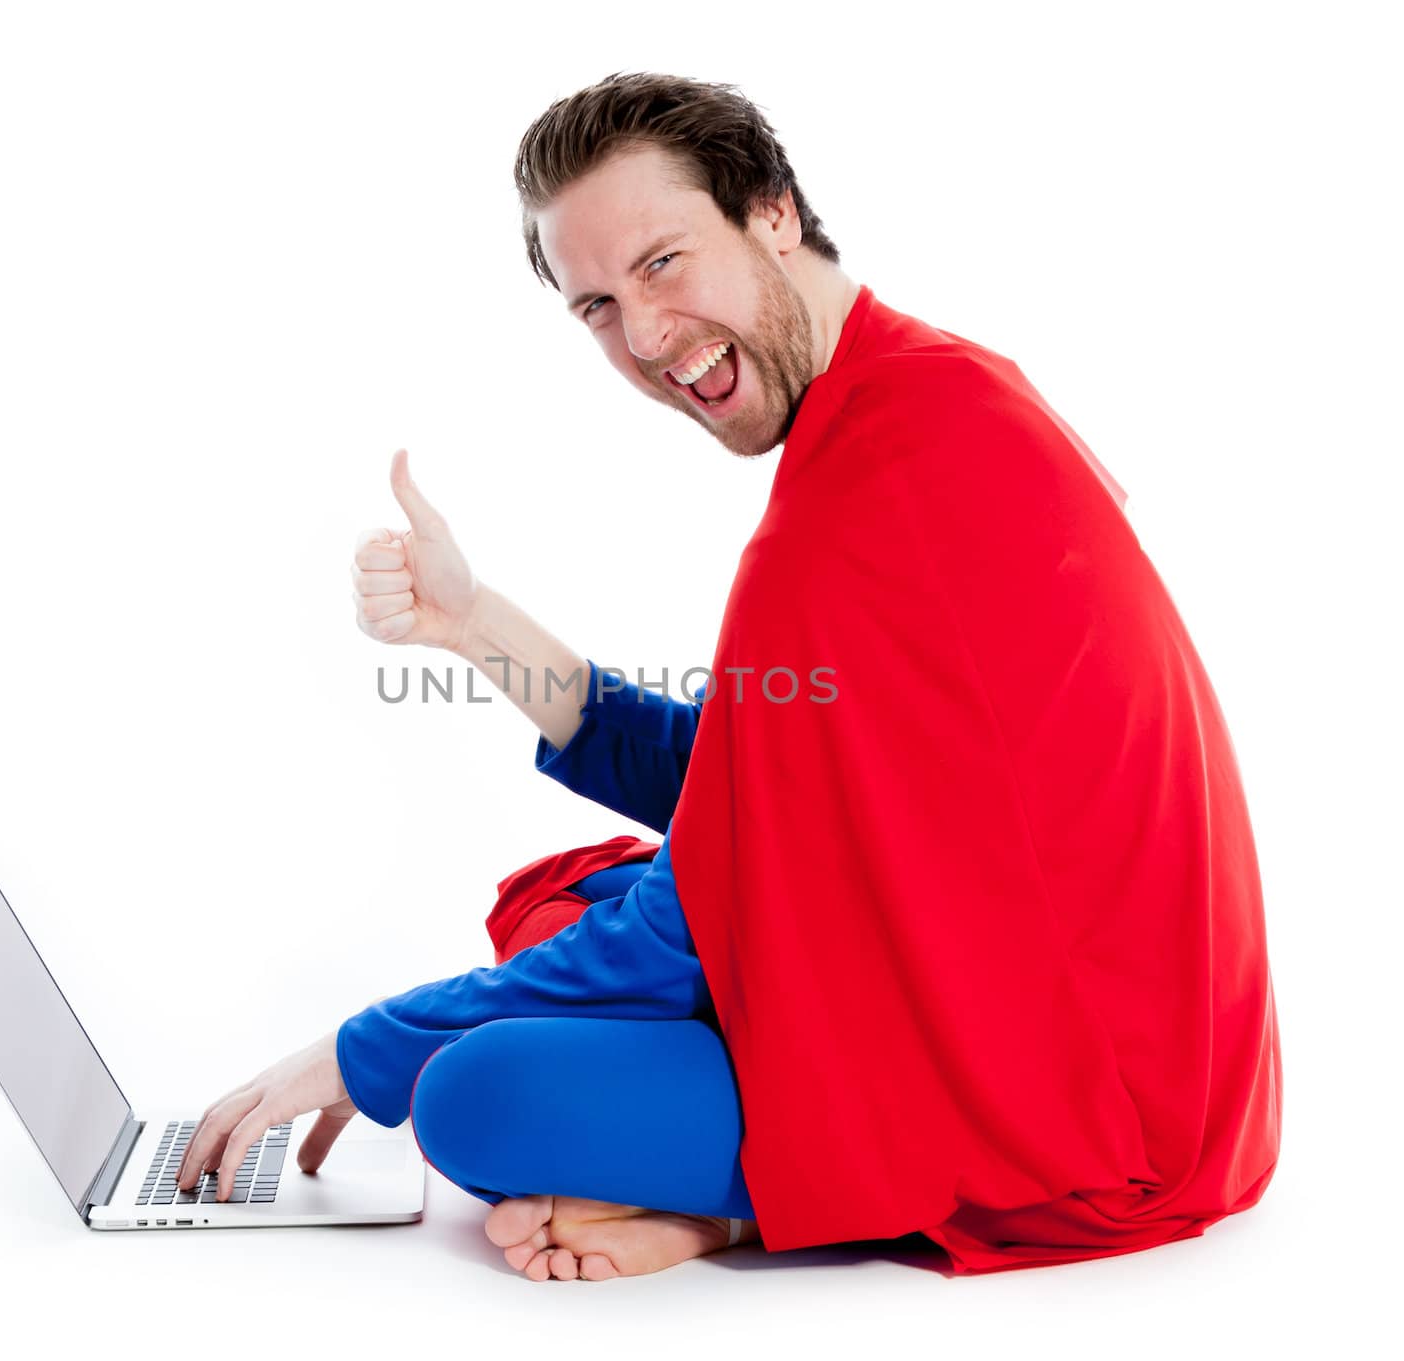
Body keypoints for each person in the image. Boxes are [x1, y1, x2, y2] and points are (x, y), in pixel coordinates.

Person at [175, 71, 1282, 1282]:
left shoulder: (871, 489)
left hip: (1087, 1106)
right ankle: (743, 1200)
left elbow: (697, 911)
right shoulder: (929, 390)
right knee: (554, 906)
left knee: (473, 1092)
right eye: (598, 303)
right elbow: (750, 784)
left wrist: (358, 1049)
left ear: (771, 212)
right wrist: (469, 621)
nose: (645, 338)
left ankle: (756, 1209)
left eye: (660, 263)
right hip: (1070, 1015)